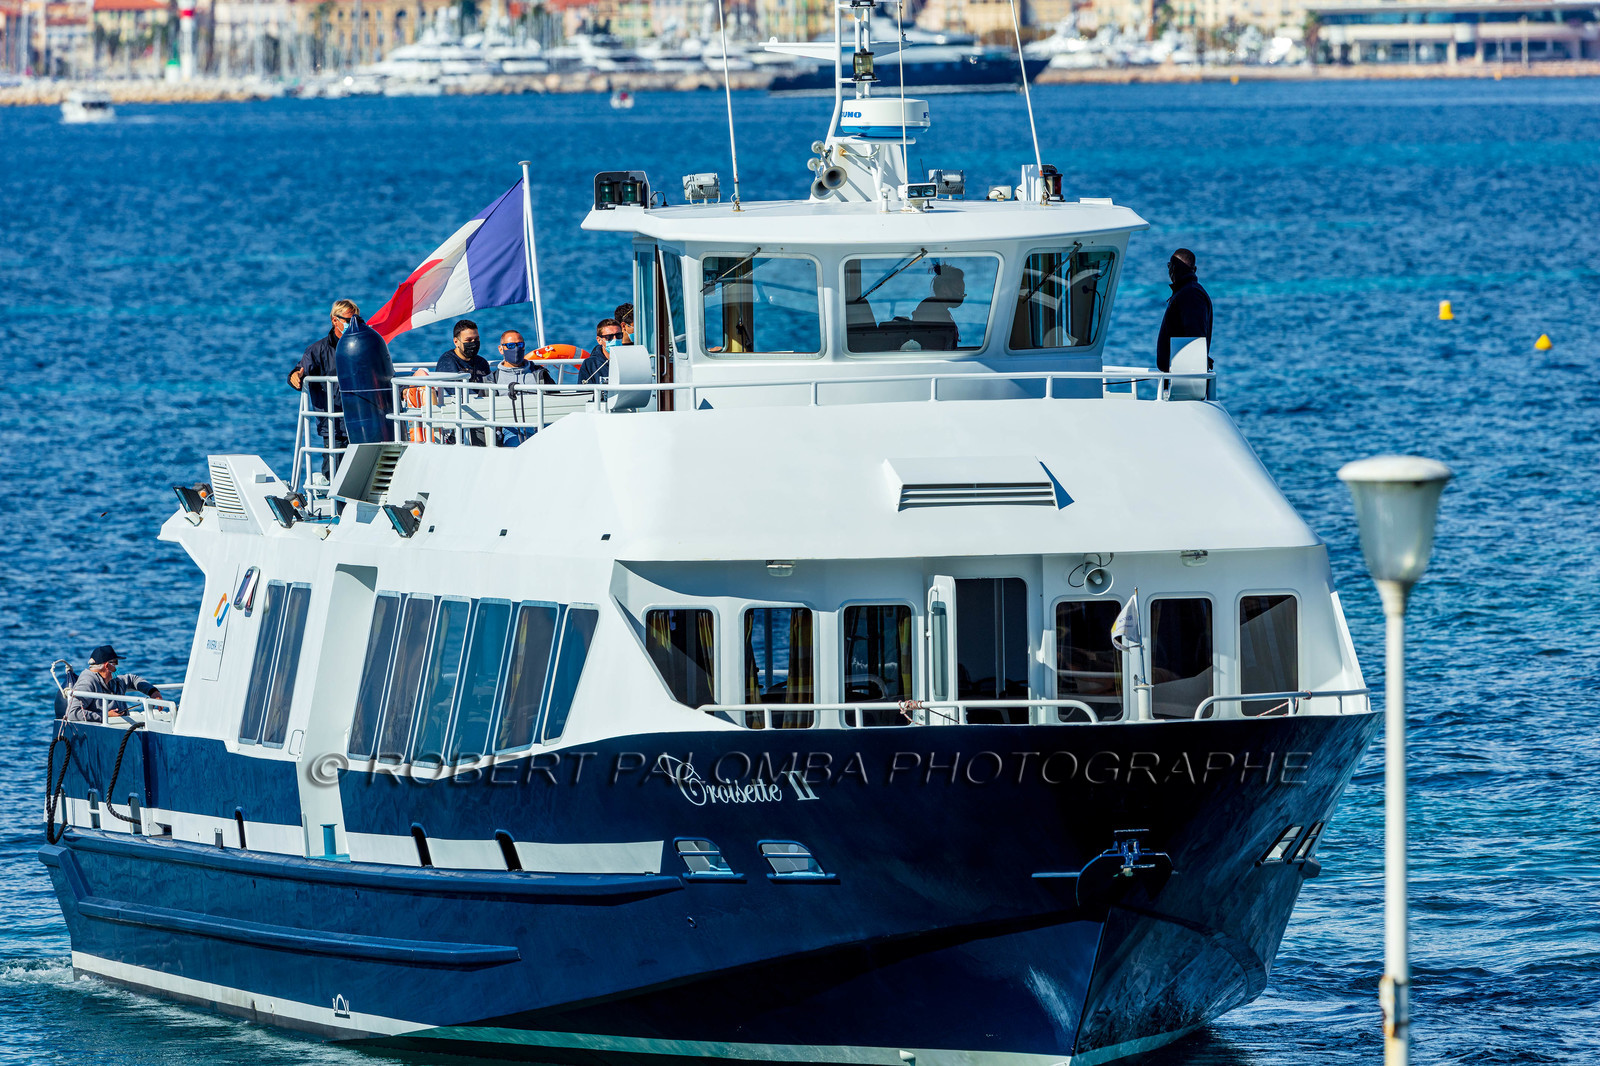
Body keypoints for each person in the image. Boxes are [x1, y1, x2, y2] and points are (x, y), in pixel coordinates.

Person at [288, 299, 358, 478]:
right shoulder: (317, 350)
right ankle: (338, 505)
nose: (353, 325)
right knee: (334, 473)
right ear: (335, 320)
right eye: (349, 321)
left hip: (361, 421)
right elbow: (301, 369)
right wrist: (295, 376)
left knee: (361, 473)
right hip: (335, 425)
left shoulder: (363, 346)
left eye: (358, 320)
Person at [66, 646, 162, 723]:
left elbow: (132, 679)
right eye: (115, 664)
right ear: (107, 666)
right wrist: (106, 715)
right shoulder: (87, 682)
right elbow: (73, 713)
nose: (117, 669)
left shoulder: (114, 679)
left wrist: (153, 692)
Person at [1156, 248, 1213, 373]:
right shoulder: (1188, 291)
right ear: (1195, 270)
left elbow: (1195, 337)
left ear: (1173, 268)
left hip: (1184, 377)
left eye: (1170, 266)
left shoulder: (1190, 293)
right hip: (1179, 374)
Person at [436, 319, 492, 445]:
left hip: (485, 414)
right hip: (460, 416)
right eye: (468, 341)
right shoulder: (447, 362)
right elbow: (456, 391)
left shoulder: (481, 362)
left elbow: (490, 387)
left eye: (476, 340)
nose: (473, 344)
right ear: (456, 341)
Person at [493, 329, 551, 445]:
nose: (516, 349)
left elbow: (556, 400)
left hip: (541, 426)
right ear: (501, 349)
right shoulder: (492, 380)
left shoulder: (539, 374)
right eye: (510, 345)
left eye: (519, 345)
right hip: (511, 430)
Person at [912, 264, 966, 350]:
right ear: (944, 288)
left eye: (963, 292)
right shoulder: (931, 309)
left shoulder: (934, 306)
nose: (961, 295)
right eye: (958, 290)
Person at [579, 318, 623, 388]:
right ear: (599, 340)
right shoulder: (590, 364)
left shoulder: (631, 359)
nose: (615, 339)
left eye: (619, 335)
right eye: (609, 337)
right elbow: (583, 393)